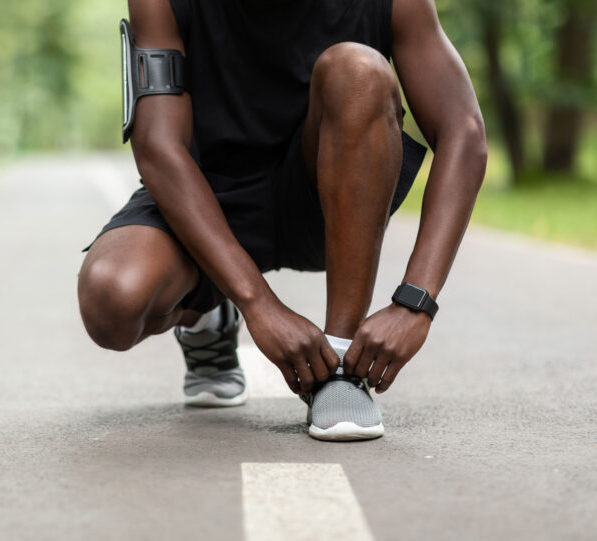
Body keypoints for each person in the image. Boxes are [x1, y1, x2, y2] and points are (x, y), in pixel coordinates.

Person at [78, 0, 487, 441]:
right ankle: (207, 315)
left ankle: (341, 368)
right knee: (112, 298)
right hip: (207, 201)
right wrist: (257, 304)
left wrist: (416, 302)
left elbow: (462, 130)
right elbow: (158, 148)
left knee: (358, 69)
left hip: (327, 196)